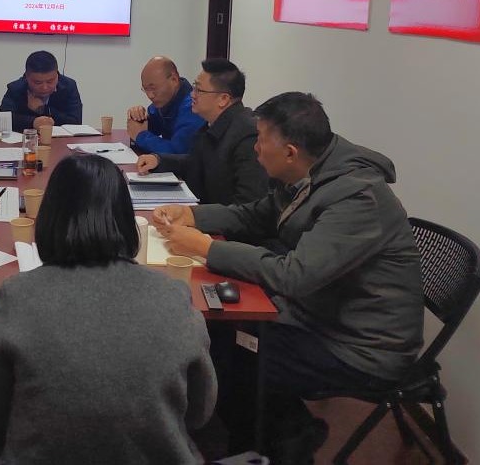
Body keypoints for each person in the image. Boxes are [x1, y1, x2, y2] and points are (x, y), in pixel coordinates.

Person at [154, 92, 423, 464]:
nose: (255, 148)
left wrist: (207, 248)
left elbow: (294, 276)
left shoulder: (357, 199)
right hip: (317, 314)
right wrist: (193, 216)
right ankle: (283, 430)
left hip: (361, 346)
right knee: (223, 338)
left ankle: (277, 444)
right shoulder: (312, 173)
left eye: (261, 140)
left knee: (236, 358)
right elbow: (255, 215)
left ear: (291, 151)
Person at [0, 154, 217, 465]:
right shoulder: (173, 296)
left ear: (50, 217)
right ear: (125, 219)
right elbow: (200, 413)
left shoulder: (16, 296)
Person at [136, 57, 268, 205]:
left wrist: (194, 215)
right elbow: (195, 162)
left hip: (220, 218)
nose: (192, 94)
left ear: (223, 99)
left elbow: (248, 206)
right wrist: (159, 160)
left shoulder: (248, 136)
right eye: (194, 88)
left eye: (199, 90)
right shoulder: (211, 125)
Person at [126, 55, 204, 155]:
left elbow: (176, 152)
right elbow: (149, 128)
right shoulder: (165, 101)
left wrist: (140, 136)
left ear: (174, 80)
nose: (150, 95)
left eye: (153, 88)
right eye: (146, 89)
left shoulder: (193, 107)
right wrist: (138, 118)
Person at [0, 50, 82, 132]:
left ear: (57, 75)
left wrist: (44, 109)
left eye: (50, 81)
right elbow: (3, 120)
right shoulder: (16, 88)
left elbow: (76, 122)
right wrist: (33, 122)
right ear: (26, 77)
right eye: (38, 82)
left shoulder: (68, 86)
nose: (44, 87)